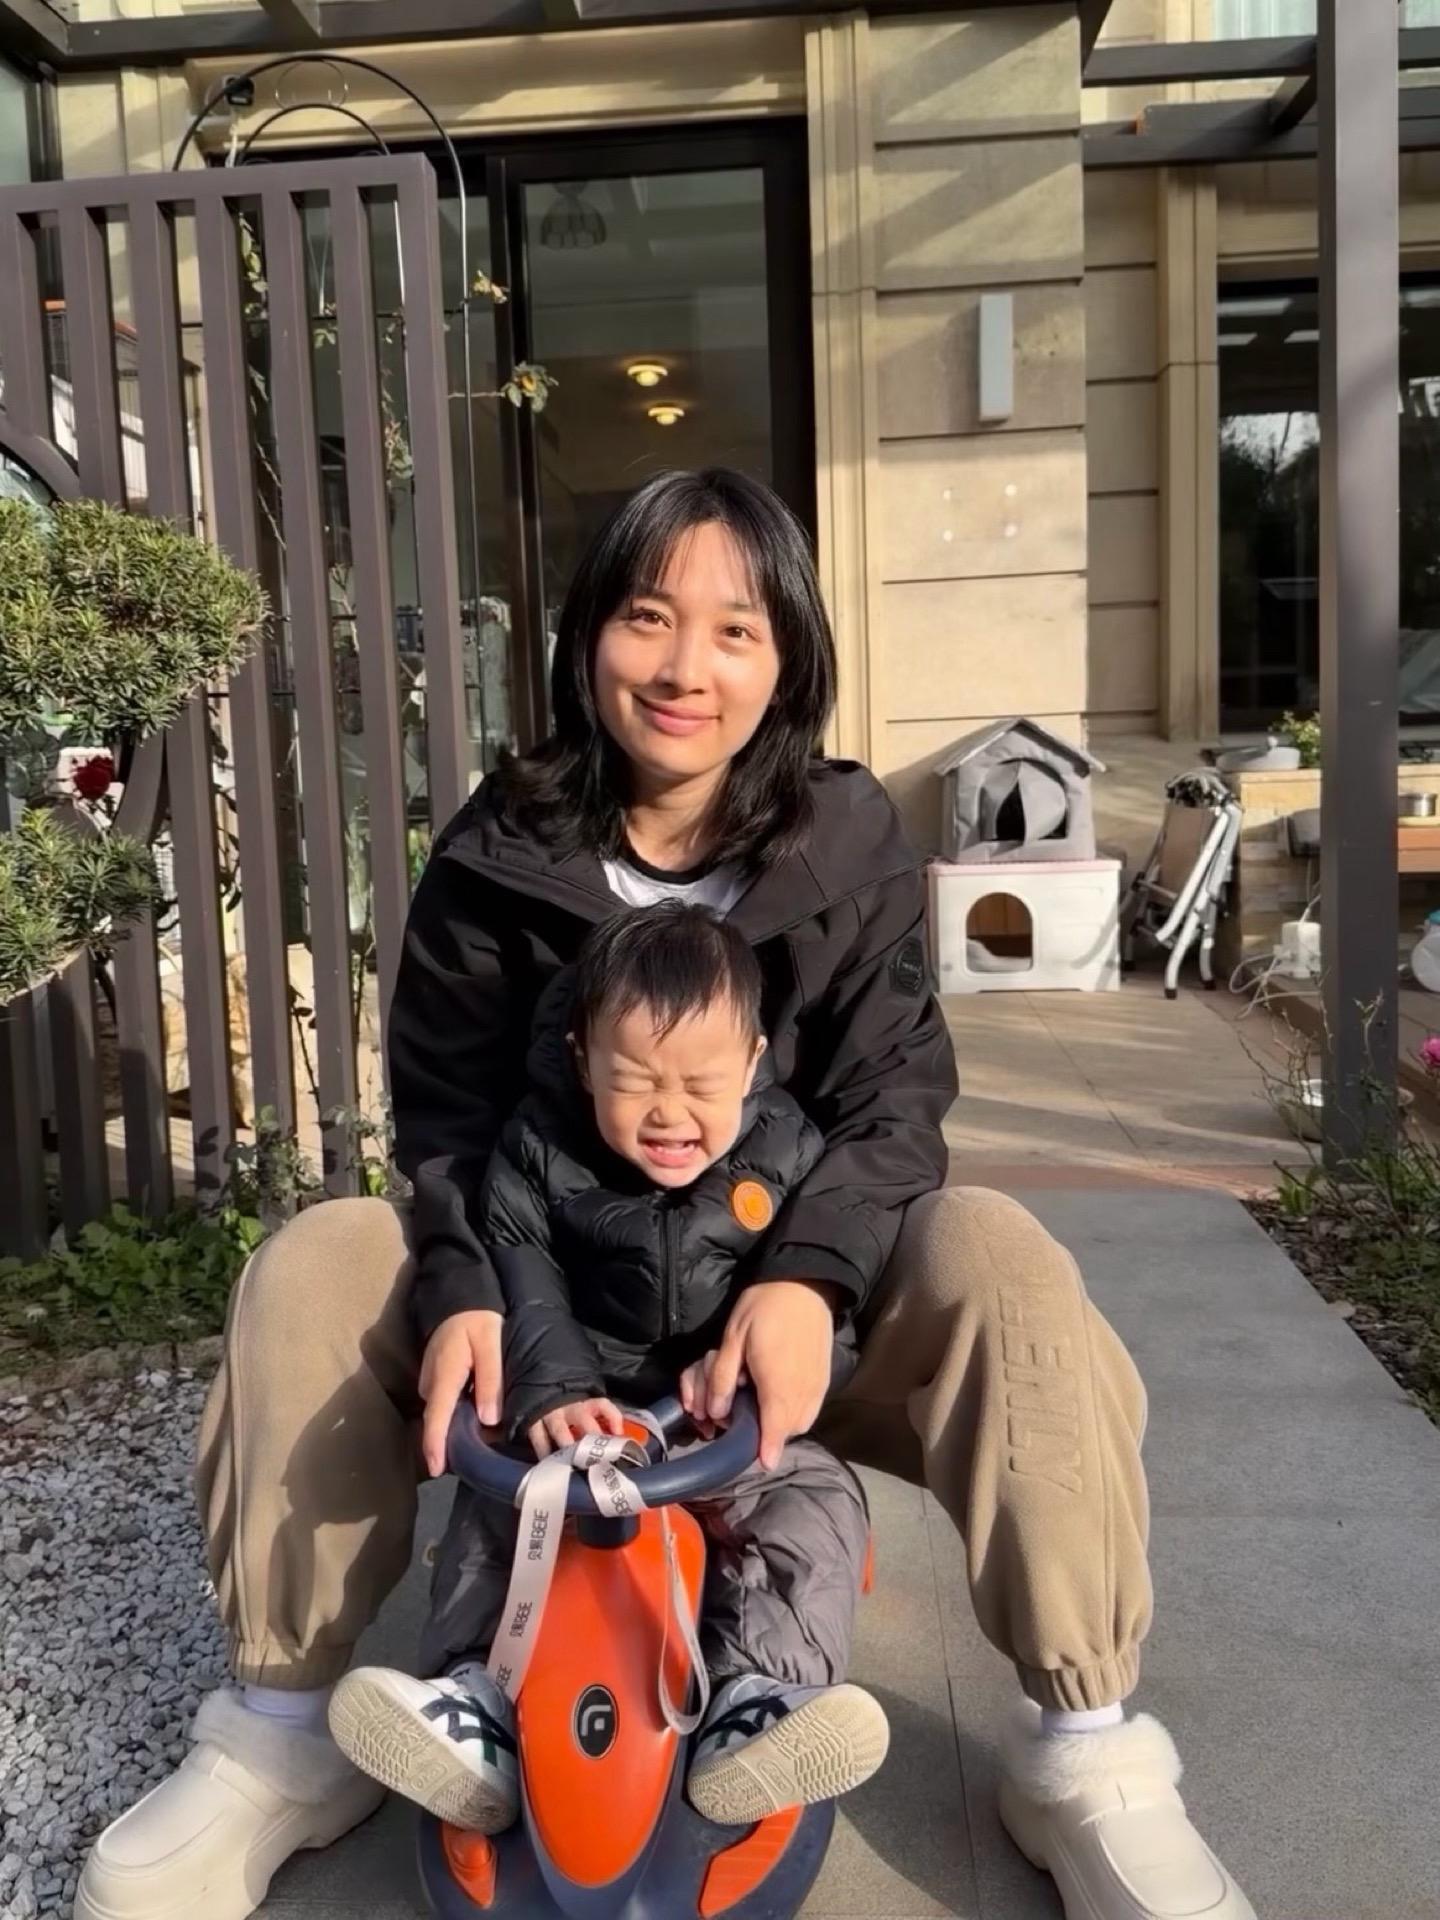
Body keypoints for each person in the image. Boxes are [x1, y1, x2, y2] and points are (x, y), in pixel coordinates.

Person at [76, 467, 1254, 1920]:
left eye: (736, 630)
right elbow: (447, 1128)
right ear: (588, 636)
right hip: (550, 1311)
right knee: (318, 1260)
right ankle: (282, 1729)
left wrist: (807, 1281)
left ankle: (1084, 1754)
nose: (686, 667)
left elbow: (893, 1105)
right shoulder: (498, 856)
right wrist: (466, 1290)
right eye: (647, 616)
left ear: (788, 659)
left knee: (1001, 1254)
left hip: (784, 1333)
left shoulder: (846, 843)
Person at [327, 900, 887, 1832]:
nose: (671, 1113)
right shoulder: (537, 1151)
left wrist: (751, 1379)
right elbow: (523, 1270)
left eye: (704, 1084)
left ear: (753, 1060)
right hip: (583, 1424)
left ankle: (756, 1700)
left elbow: (814, 1306)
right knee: (494, 1510)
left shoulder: (790, 1152)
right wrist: (554, 1389)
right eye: (633, 1081)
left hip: (718, 1429)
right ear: (583, 1058)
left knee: (813, 1499)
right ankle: (475, 1702)